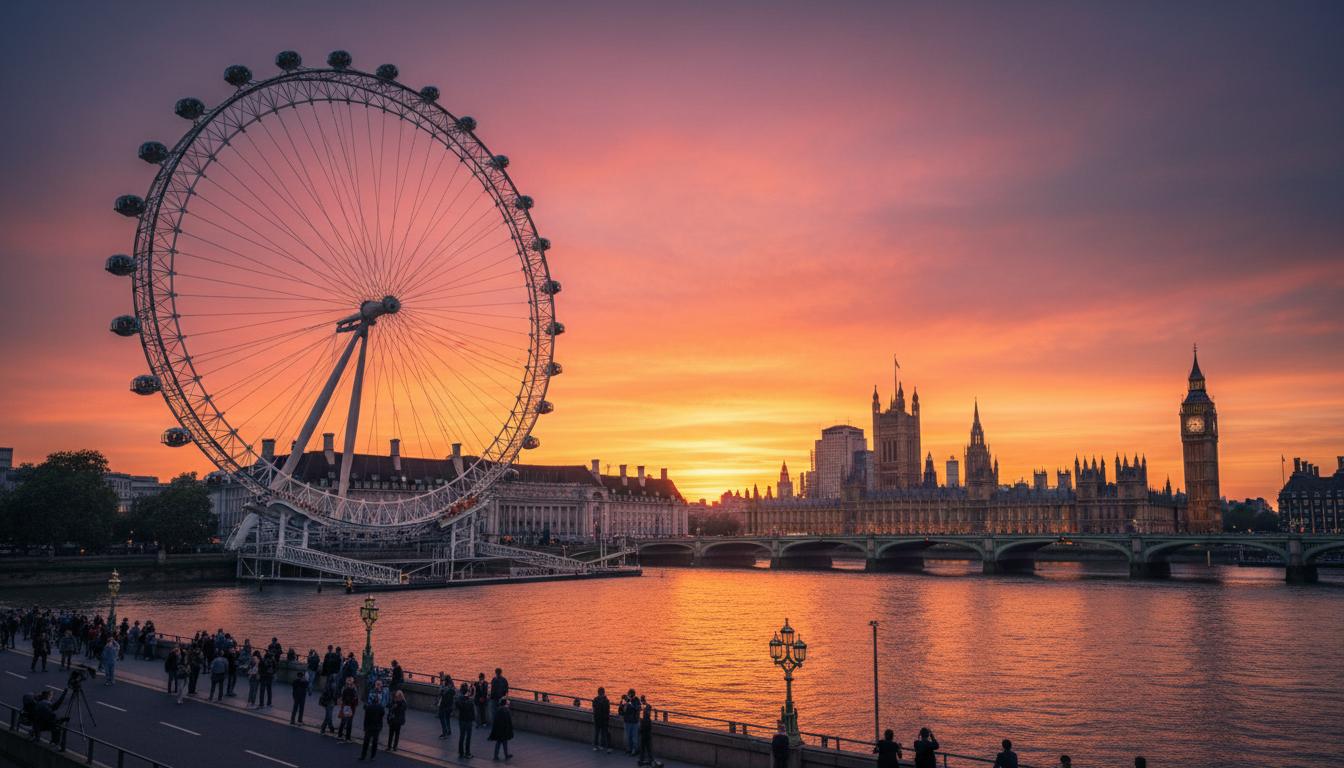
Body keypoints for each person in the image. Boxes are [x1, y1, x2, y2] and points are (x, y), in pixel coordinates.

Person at [360, 689, 386, 761]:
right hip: (377, 727)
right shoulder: (381, 708)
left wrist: (364, 727)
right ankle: (372, 756)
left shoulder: (369, 707)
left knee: (366, 742)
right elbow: (382, 716)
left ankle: (363, 755)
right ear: (378, 701)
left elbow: (366, 718)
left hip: (369, 727)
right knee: (375, 743)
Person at [455, 682, 476, 758]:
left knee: (462, 736)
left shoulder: (459, 699)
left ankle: (461, 752)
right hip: (468, 720)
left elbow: (458, 706)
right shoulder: (469, 700)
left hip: (461, 719)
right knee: (468, 737)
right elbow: (472, 710)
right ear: (467, 690)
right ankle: (467, 753)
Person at [338, 676, 359, 742]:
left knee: (344, 721)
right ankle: (347, 737)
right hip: (350, 706)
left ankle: (340, 735)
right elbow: (355, 698)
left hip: (345, 705)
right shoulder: (354, 688)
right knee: (349, 722)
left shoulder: (344, 688)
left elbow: (342, 697)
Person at [621, 689, 641, 756]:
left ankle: (634, 750)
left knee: (634, 737)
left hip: (634, 722)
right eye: (629, 695)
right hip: (627, 721)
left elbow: (637, 708)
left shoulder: (637, 700)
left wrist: (630, 703)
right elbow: (622, 709)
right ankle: (629, 749)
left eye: (631, 695)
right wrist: (624, 703)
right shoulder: (625, 700)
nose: (630, 696)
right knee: (627, 737)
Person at [592, 686, 611, 753]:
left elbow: (594, 710)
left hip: (599, 719)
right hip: (602, 719)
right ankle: (601, 746)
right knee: (601, 733)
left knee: (599, 733)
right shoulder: (606, 700)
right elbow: (608, 711)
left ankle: (597, 746)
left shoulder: (596, 700)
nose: (601, 694)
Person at [436, 674, 455, 739]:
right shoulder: (452, 688)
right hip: (450, 705)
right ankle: (449, 731)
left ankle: (445, 733)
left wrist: (441, 684)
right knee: (447, 718)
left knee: (442, 718)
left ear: (445, 681)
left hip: (443, 705)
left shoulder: (444, 688)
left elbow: (440, 692)